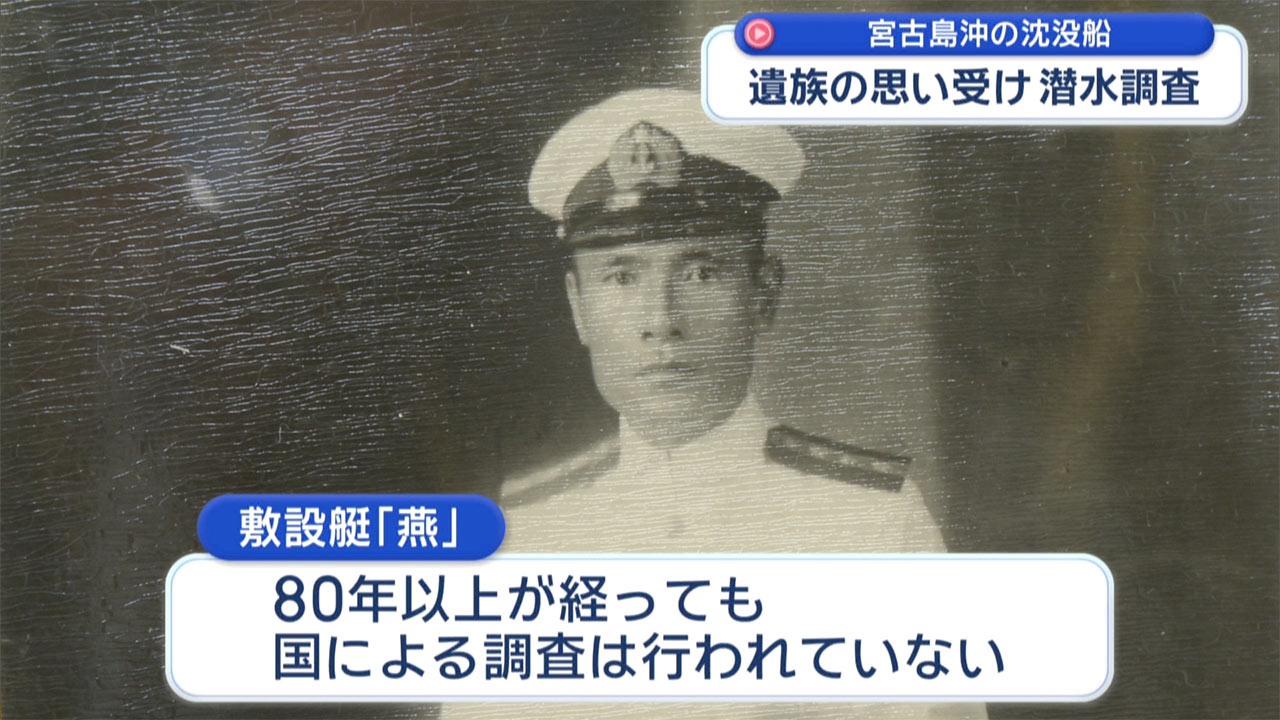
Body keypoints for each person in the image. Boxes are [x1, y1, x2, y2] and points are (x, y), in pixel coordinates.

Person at [444, 89, 986, 719]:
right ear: (578, 308)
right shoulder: (526, 536)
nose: (662, 320)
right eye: (622, 276)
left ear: (764, 294)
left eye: (701, 272)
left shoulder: (871, 524)